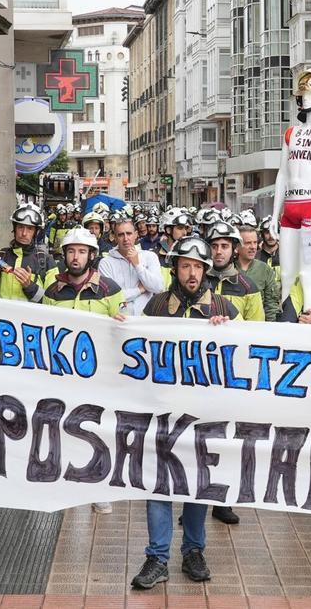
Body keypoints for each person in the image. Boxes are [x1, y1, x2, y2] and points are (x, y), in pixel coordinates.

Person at [131, 235, 237, 591]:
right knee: (159, 483)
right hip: (162, 412)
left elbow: (240, 361)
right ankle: (157, 557)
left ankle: (194, 551)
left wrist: (229, 333)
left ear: (207, 270)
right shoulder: (156, 306)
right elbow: (139, 352)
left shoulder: (224, 307)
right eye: (186, 266)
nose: (192, 274)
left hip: (205, 415)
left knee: (197, 485)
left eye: (198, 267)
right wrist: (118, 329)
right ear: (175, 268)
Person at [43, 227, 125, 514]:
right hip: (65, 373)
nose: (75, 257)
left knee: (97, 430)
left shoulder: (110, 289)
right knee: (65, 427)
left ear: (92, 255)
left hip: (100, 373)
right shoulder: (53, 290)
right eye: (71, 251)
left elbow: (127, 330)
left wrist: (121, 322)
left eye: (81, 251)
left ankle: (98, 487)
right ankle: (69, 486)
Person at [0, 204, 57, 302]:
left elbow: (52, 304)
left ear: (36, 232)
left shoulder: (47, 262)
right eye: (20, 227)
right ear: (14, 228)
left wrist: (29, 286)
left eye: (30, 228)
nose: (24, 233)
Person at [97, 217, 168, 316]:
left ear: (136, 235)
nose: (126, 239)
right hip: (119, 322)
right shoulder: (106, 263)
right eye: (121, 235)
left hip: (145, 322)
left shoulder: (150, 256)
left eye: (129, 233)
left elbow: (158, 288)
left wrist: (137, 265)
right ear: (115, 237)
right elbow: (109, 297)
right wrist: (139, 290)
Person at [205, 221, 266, 323]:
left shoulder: (249, 287)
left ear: (235, 249)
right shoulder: (199, 282)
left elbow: (256, 330)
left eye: (224, 246)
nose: (219, 251)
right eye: (214, 246)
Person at [238, 225, 281, 321]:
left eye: (255, 242)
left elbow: (271, 305)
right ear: (237, 245)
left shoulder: (264, 270)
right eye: (248, 243)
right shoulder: (228, 269)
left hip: (257, 327)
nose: (253, 247)